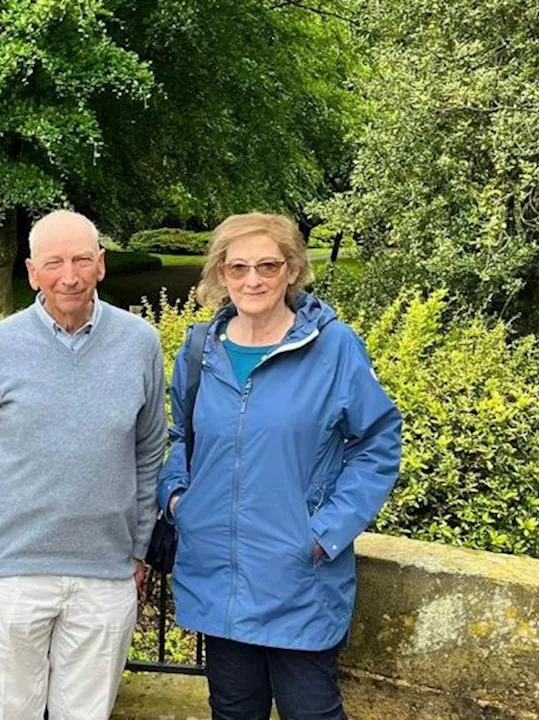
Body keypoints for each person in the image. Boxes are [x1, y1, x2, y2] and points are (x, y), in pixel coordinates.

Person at [159, 213, 402, 720]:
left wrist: (324, 531)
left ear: (292, 270)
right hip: (218, 576)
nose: (253, 280)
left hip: (298, 578)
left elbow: (377, 442)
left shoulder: (334, 349)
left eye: (267, 266)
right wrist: (180, 499)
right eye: (238, 267)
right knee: (233, 710)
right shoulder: (200, 350)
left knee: (311, 712)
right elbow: (181, 435)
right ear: (220, 274)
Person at [0, 210, 167, 720]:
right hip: (12, 571)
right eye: (54, 263)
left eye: (81, 260)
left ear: (101, 265)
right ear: (31, 272)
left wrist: (137, 547)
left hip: (105, 575)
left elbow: (148, 452)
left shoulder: (140, 344)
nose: (69, 276)